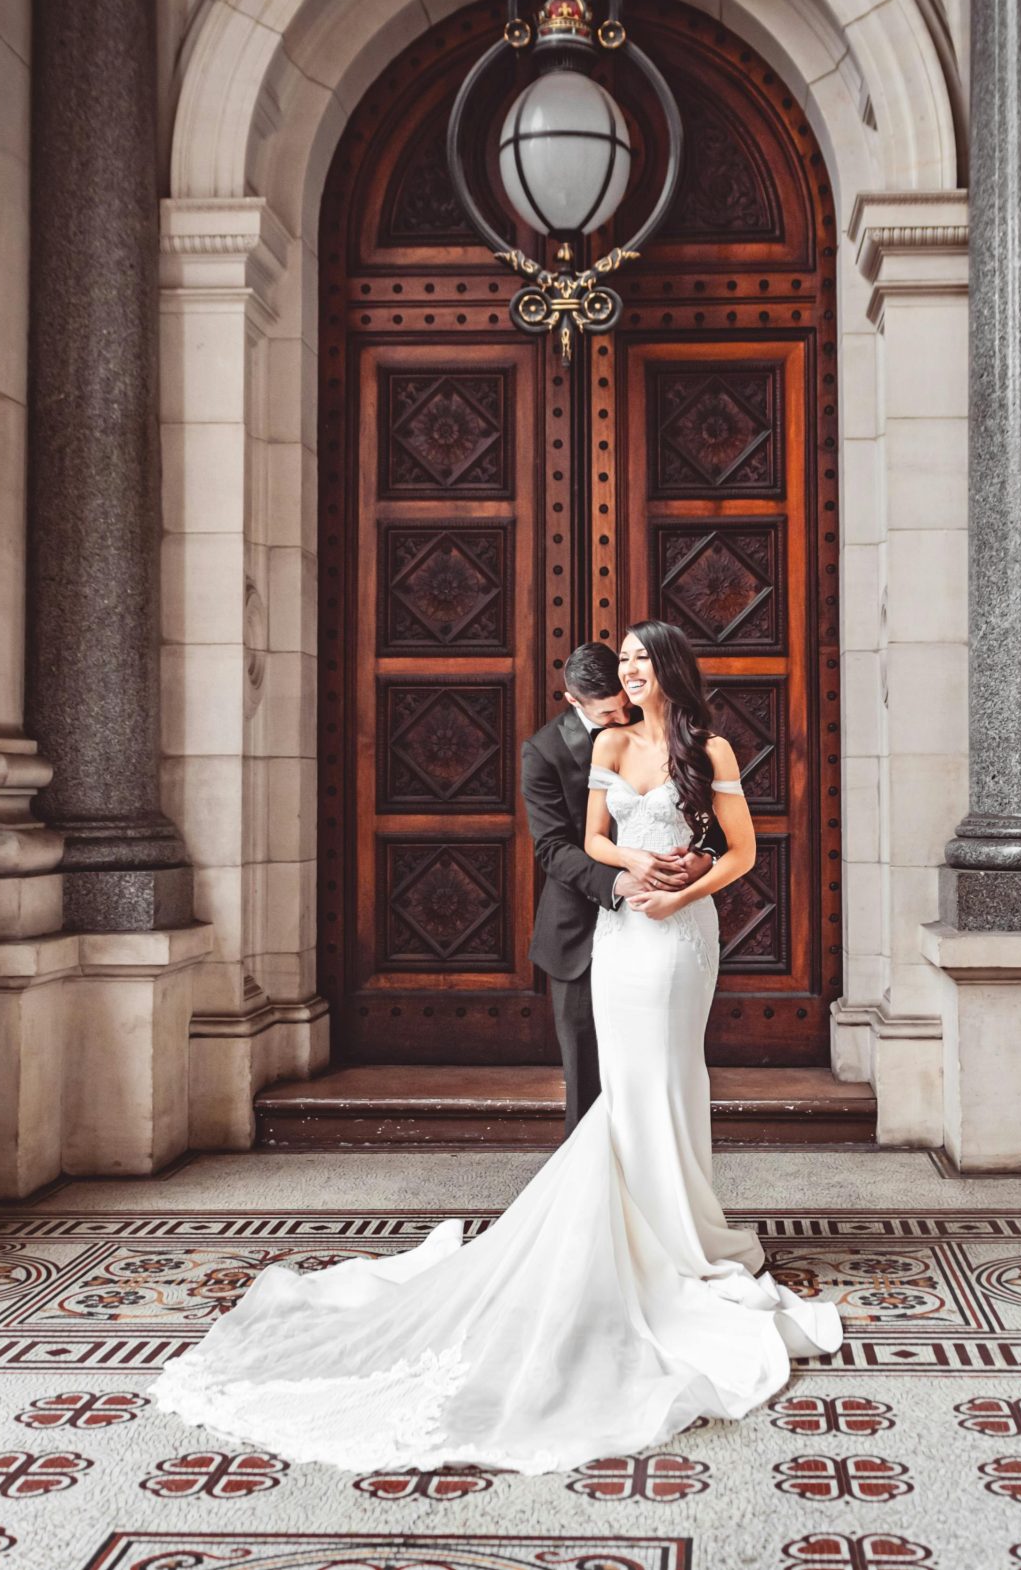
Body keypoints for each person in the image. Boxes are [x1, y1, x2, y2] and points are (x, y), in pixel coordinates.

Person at [149, 620, 841, 1474]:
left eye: (639, 660)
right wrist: (632, 873)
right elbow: (577, 842)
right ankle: (619, 1239)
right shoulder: (594, 749)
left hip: (681, 934)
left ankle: (685, 1229)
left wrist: (685, 884)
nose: (629, 673)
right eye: (621, 661)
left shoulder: (711, 749)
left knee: (675, 1076)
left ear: (665, 670)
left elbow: (742, 849)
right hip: (618, 932)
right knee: (620, 1086)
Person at [520, 641, 716, 1131]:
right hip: (579, 930)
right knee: (588, 1075)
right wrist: (620, 879)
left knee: (655, 1061)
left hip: (661, 923)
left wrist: (700, 856)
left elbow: (708, 818)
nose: (623, 717)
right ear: (573, 701)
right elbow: (552, 848)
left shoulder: (665, 731)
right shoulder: (544, 751)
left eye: (626, 704)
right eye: (608, 713)